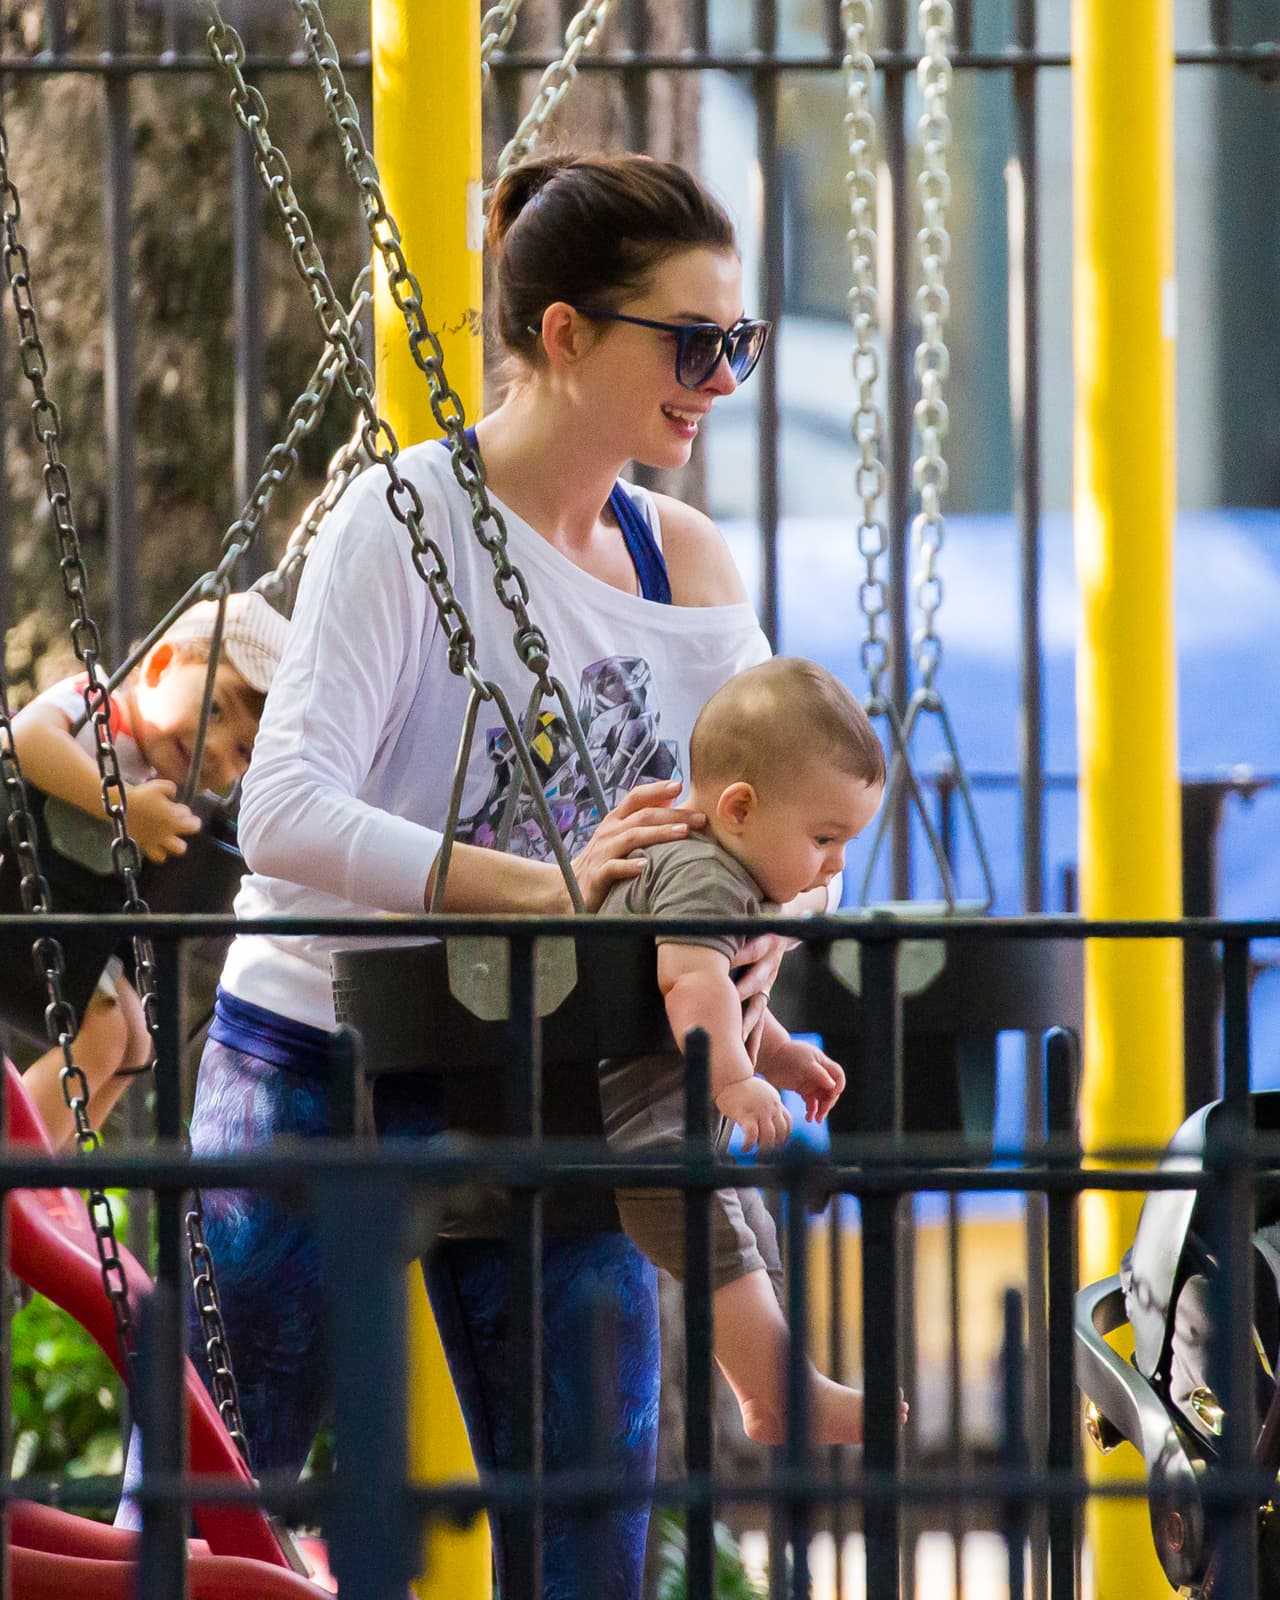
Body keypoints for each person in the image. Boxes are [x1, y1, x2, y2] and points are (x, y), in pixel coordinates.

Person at [166, 153, 836, 1597]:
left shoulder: (684, 566)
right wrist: (546, 888)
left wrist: (774, 924)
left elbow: (785, 811)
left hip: (552, 1063)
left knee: (591, 1532)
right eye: (693, 342)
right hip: (321, 1047)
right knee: (217, 1499)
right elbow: (282, 810)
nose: (723, 379)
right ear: (567, 333)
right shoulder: (404, 520)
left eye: (739, 340)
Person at [600, 656, 898, 1445]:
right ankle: (785, 1395)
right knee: (721, 1235)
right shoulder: (706, 875)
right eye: (825, 838)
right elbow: (690, 983)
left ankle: (765, 1396)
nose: (835, 866)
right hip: (641, 1131)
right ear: (738, 809)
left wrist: (780, 1056)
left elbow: (724, 1001)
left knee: (749, 1234)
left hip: (668, 1125)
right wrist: (733, 1079)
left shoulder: (726, 875)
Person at [8, 593, 287, 1147]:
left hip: (63, 917)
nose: (216, 750)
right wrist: (123, 807)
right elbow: (24, 739)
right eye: (214, 709)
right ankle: (18, 1164)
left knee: (136, 1040)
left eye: (243, 751)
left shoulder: (168, 792)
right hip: (15, 885)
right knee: (103, 1033)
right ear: (159, 666)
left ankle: (51, 1164)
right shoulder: (99, 706)